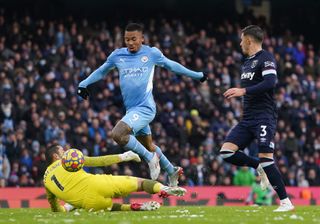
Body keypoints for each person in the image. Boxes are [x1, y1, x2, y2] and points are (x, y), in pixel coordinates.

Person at [77, 23, 207, 185]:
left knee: (118, 134)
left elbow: (172, 65)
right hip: (132, 110)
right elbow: (102, 71)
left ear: (142, 39)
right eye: (127, 40)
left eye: (134, 39)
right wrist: (84, 83)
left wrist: (197, 75)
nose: (130, 43)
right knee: (149, 145)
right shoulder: (117, 56)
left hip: (145, 108)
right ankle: (171, 171)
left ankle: (150, 159)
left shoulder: (151, 53)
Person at [220, 25, 294, 212]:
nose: (239, 43)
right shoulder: (246, 62)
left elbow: (270, 82)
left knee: (267, 159)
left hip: (263, 117)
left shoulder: (266, 58)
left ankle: (286, 202)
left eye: (241, 39)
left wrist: (242, 90)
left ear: (249, 40)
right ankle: (258, 167)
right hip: (247, 119)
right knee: (227, 153)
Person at [43, 144, 187, 212]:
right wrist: (124, 156)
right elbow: (98, 161)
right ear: (56, 156)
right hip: (97, 184)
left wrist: (67, 207)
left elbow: (55, 208)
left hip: (88, 203)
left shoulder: (46, 180)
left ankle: (135, 207)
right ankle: (165, 188)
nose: (66, 151)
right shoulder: (68, 160)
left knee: (110, 207)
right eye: (62, 150)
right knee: (140, 183)